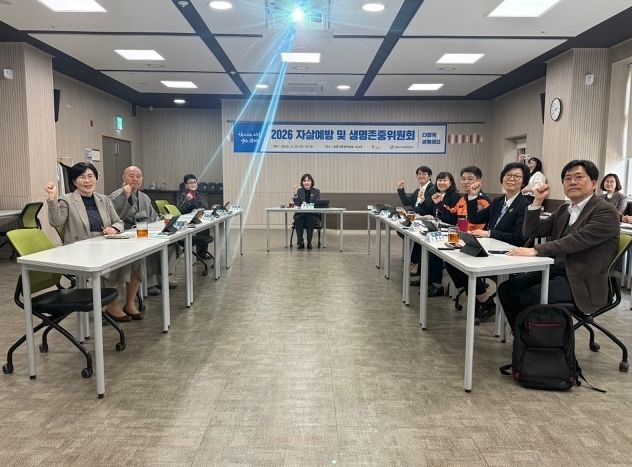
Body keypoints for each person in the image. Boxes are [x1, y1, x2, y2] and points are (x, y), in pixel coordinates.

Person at [498, 159, 620, 330]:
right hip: (557, 270)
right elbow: (532, 231)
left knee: (531, 297)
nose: (572, 182)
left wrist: (536, 250)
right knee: (507, 289)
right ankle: (525, 338)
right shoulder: (564, 210)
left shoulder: (606, 211)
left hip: (583, 281)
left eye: (579, 177)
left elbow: (576, 240)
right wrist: (537, 202)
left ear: (593, 183)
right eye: (567, 178)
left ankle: (538, 340)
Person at [45, 162, 142, 322]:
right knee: (115, 262)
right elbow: (56, 221)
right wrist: (52, 199)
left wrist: (113, 228)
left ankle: (121, 303)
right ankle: (111, 304)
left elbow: (118, 221)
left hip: (103, 243)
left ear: (96, 178)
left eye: (90, 176)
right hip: (80, 249)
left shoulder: (104, 199)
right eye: (82, 177)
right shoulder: (67, 200)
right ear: (74, 181)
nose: (87, 180)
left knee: (133, 260)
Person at [445, 162, 532, 322]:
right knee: (452, 260)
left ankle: (482, 301)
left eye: (517, 176)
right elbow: (476, 218)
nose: (511, 179)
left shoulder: (525, 205)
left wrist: (489, 233)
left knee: (464, 262)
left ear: (524, 182)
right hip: (491, 248)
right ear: (502, 178)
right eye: (508, 175)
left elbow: (519, 238)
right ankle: (483, 299)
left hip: (508, 254)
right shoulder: (498, 201)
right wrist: (473, 196)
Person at [110, 165, 177, 296]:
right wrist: (125, 197)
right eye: (131, 176)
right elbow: (114, 218)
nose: (135, 179)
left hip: (145, 232)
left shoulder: (145, 197)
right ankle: (149, 283)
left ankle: (163, 277)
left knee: (170, 244)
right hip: (126, 235)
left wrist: (164, 220)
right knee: (146, 249)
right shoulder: (115, 196)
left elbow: (153, 217)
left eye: (138, 176)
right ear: (124, 178)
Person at [409, 172, 461, 297]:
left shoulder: (455, 196)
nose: (441, 183)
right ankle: (425, 279)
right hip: (438, 228)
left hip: (451, 232)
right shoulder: (438, 195)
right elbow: (431, 211)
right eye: (439, 180)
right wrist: (428, 212)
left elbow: (450, 218)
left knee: (434, 252)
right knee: (422, 244)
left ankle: (437, 285)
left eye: (444, 180)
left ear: (451, 183)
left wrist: (438, 205)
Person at [177, 174, 212, 260]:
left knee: (205, 227)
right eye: (190, 183)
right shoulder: (183, 194)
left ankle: (202, 252)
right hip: (187, 223)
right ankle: (200, 253)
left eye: (195, 182)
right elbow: (180, 209)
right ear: (185, 184)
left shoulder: (197, 194)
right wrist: (187, 200)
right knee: (202, 229)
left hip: (196, 219)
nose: (193, 184)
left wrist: (199, 209)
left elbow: (204, 207)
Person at [447, 166, 491, 231]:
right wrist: (440, 205)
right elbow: (452, 215)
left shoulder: (483, 200)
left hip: (475, 235)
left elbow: (477, 223)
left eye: (470, 179)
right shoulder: (463, 198)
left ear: (478, 181)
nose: (465, 182)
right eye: (463, 179)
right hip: (460, 233)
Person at [292, 173, 320, 249]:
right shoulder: (299, 191)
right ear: (302, 182)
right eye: (304, 181)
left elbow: (317, 203)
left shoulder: (316, 191)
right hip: (301, 214)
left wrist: (309, 205)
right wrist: (295, 194)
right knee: (298, 220)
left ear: (311, 182)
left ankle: (309, 242)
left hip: (312, 214)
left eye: (308, 181)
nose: (306, 182)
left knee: (310, 220)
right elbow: (297, 204)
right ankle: (300, 242)